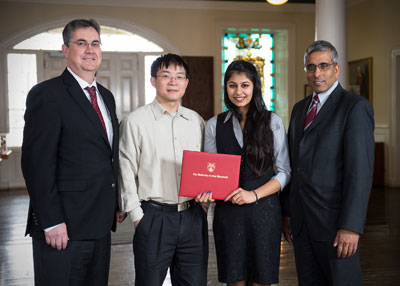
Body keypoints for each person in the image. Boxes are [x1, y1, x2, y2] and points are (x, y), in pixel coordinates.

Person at [21, 19, 119, 286]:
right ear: (65, 49)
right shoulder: (47, 94)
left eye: (95, 43)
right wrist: (51, 221)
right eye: (81, 43)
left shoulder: (106, 97)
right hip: (63, 227)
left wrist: (117, 202)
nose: (90, 50)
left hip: (99, 224)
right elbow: (36, 165)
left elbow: (106, 155)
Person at [281, 40, 375, 286]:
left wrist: (351, 227)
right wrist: (289, 213)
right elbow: (293, 165)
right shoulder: (299, 109)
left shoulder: (354, 107)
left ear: (337, 68)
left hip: (335, 227)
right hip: (301, 225)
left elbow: (360, 173)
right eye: (310, 67)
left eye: (323, 66)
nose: (316, 73)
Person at [117, 53, 208, 286]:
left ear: (186, 83)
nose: (173, 82)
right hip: (153, 218)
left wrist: (205, 206)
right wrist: (137, 217)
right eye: (166, 76)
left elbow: (206, 169)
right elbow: (125, 171)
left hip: (192, 217)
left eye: (179, 77)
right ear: (153, 81)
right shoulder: (135, 122)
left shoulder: (197, 121)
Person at [199, 60, 291, 286]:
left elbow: (285, 171)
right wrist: (205, 195)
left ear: (255, 87)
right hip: (228, 215)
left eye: (245, 85)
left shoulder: (273, 121)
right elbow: (212, 173)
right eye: (232, 85)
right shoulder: (214, 124)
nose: (238, 92)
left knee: (261, 279)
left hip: (265, 213)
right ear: (225, 88)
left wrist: (254, 194)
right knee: (235, 281)